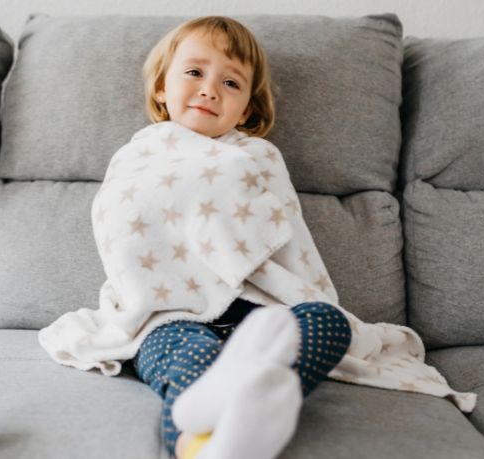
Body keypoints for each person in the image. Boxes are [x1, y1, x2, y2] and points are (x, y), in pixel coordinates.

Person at [134, 16, 353, 459]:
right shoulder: (140, 154)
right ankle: (210, 429)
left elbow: (282, 235)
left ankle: (238, 392)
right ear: (161, 87)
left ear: (247, 110)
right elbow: (123, 230)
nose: (210, 89)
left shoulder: (256, 156)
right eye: (194, 72)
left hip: (256, 314)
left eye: (230, 83)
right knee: (191, 357)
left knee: (329, 322)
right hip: (170, 317)